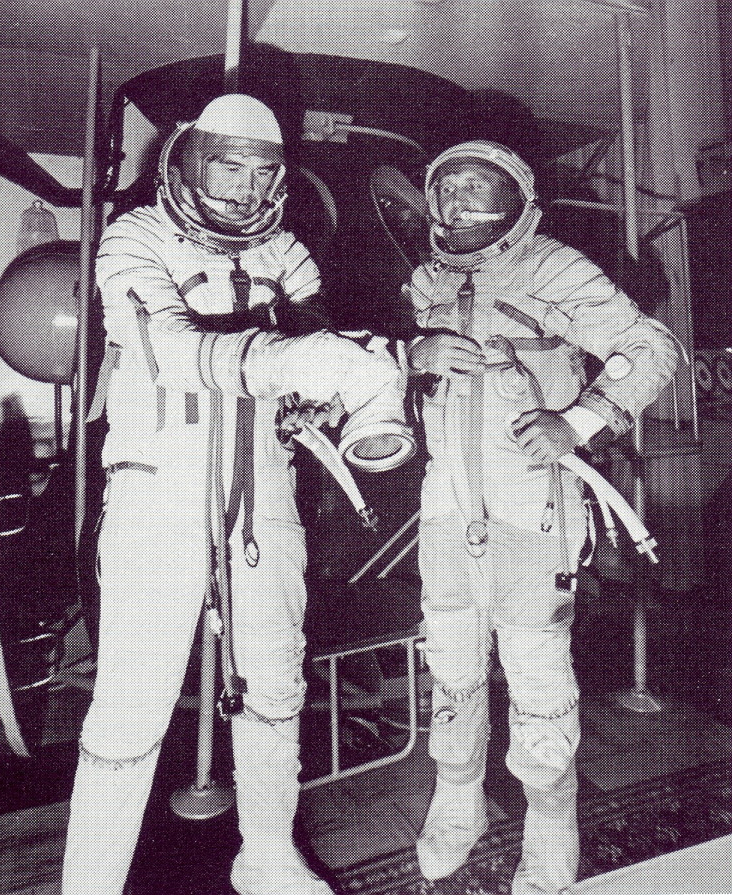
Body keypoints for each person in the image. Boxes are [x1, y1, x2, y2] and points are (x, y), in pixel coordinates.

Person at [61, 94, 414, 895]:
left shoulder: (286, 253)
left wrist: (349, 380)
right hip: (159, 495)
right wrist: (295, 362)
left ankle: (267, 858)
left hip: (264, 496)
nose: (246, 188)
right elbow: (171, 348)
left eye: (262, 172)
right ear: (188, 161)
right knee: (129, 709)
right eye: (228, 167)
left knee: (276, 684)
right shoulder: (134, 240)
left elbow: (315, 341)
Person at [402, 140, 679, 894]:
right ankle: (456, 799)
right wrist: (416, 355)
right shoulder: (426, 280)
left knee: (536, 671)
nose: (458, 201)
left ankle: (552, 823)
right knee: (451, 665)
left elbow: (651, 347)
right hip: (445, 508)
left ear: (518, 201)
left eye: (477, 186)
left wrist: (578, 421)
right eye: (447, 187)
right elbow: (399, 375)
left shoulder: (555, 269)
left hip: (534, 507)